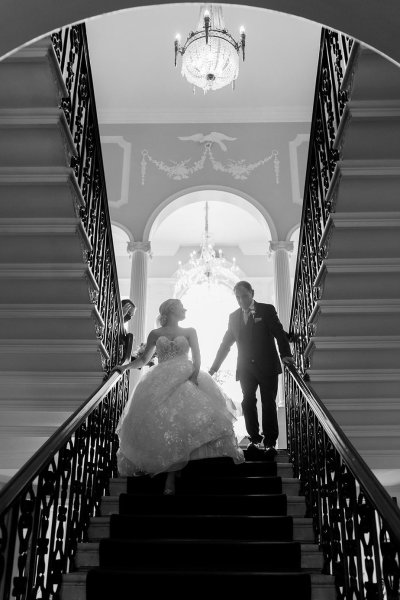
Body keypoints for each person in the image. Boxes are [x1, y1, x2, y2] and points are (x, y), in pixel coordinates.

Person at [115, 298, 244, 495]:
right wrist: (124, 367)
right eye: (181, 307)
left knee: (187, 420)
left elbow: (198, 358)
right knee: (166, 422)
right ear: (172, 310)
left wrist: (192, 377)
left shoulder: (190, 331)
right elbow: (143, 359)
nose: (185, 309)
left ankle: (176, 475)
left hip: (187, 375)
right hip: (160, 378)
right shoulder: (155, 334)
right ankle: (171, 475)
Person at [209, 281, 294, 458]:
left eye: (244, 296)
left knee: (269, 403)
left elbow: (279, 333)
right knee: (248, 402)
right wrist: (214, 368)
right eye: (238, 297)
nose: (241, 301)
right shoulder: (233, 317)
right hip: (245, 368)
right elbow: (226, 344)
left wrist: (286, 354)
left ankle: (270, 443)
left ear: (252, 293)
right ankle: (255, 439)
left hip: (268, 365)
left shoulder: (266, 310)